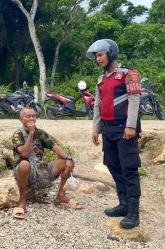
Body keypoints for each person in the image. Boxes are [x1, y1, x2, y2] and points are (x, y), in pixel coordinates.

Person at [86, 39, 142, 229]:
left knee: (129, 168)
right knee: (112, 165)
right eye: (95, 56)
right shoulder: (101, 79)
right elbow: (98, 105)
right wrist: (96, 128)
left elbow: (134, 101)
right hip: (108, 130)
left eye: (100, 55)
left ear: (111, 54)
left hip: (125, 129)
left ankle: (134, 212)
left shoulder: (129, 74)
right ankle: (123, 204)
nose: (97, 59)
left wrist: (131, 126)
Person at [12, 107, 82, 219]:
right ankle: (22, 201)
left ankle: (61, 196)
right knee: (25, 164)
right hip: (24, 170)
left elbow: (55, 147)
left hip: (40, 168)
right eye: (28, 116)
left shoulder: (41, 133)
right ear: (21, 119)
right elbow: (24, 154)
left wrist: (68, 158)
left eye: (33, 116)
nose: (31, 118)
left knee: (67, 162)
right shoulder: (17, 134)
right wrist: (31, 134)